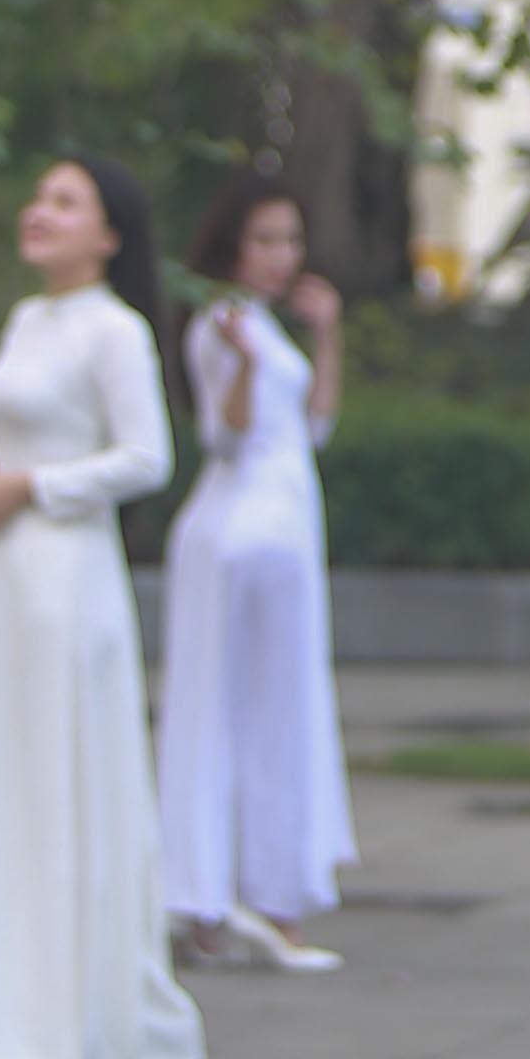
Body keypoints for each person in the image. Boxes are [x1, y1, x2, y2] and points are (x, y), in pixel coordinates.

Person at [0, 156, 206, 1059]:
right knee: (13, 780)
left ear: (110, 236)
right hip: (5, 568)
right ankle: (13, 1022)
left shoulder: (115, 330)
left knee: (63, 775)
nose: (39, 213)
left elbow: (146, 457)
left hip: (66, 573)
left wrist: (34, 486)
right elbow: (20, 433)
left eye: (65, 202)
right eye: (39, 196)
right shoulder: (26, 320)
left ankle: (76, 1024)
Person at [160, 177, 356, 970]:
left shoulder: (272, 329)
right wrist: (239, 365)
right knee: (217, 711)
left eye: (290, 241)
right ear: (233, 244)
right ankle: (207, 898)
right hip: (235, 531)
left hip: (286, 532)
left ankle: (272, 896)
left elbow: (315, 427)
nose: (281, 256)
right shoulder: (221, 325)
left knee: (285, 706)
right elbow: (225, 434)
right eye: (266, 240)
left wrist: (329, 337)